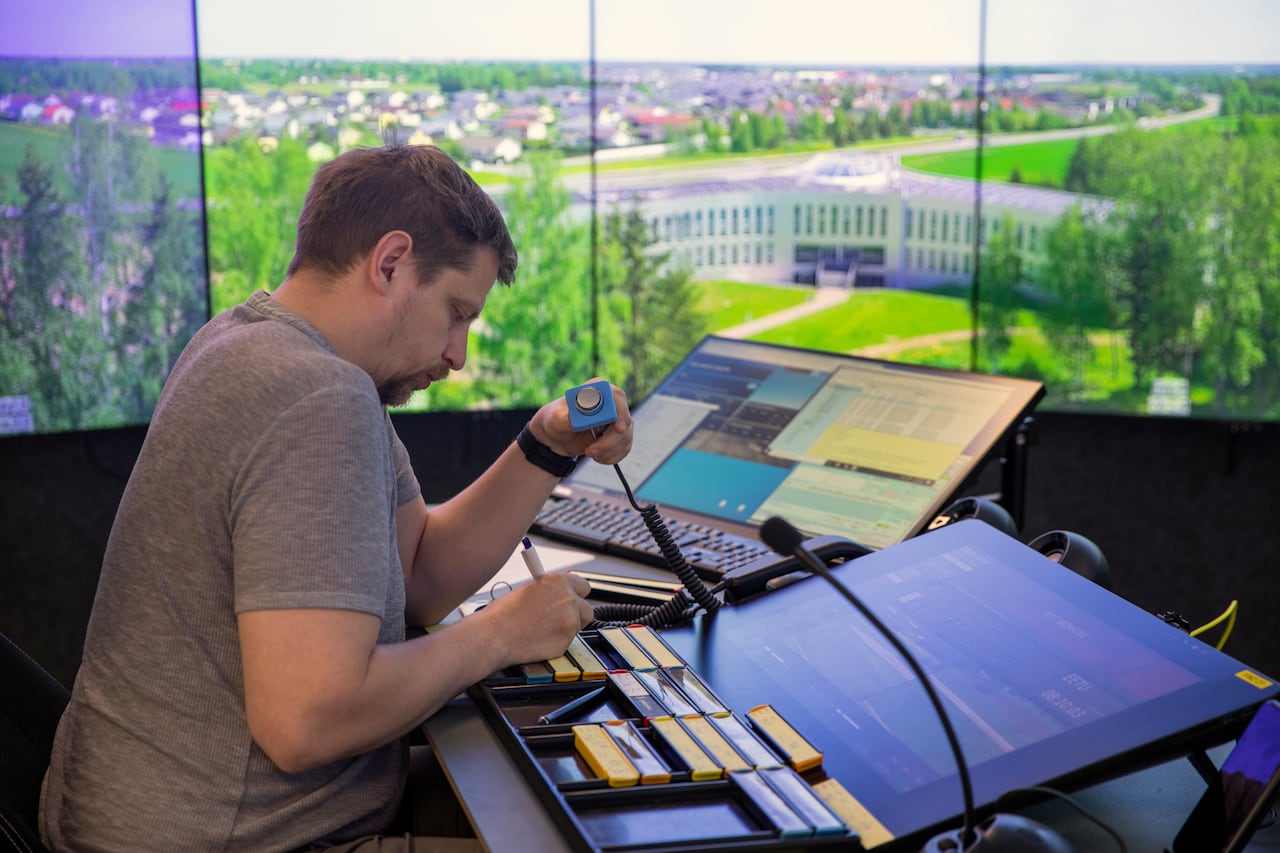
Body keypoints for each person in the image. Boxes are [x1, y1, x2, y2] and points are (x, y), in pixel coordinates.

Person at [39, 144, 633, 851]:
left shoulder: (251, 343)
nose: (458, 354)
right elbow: (309, 720)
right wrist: (501, 633)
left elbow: (418, 576)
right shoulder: (315, 395)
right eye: (455, 313)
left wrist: (546, 444)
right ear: (390, 263)